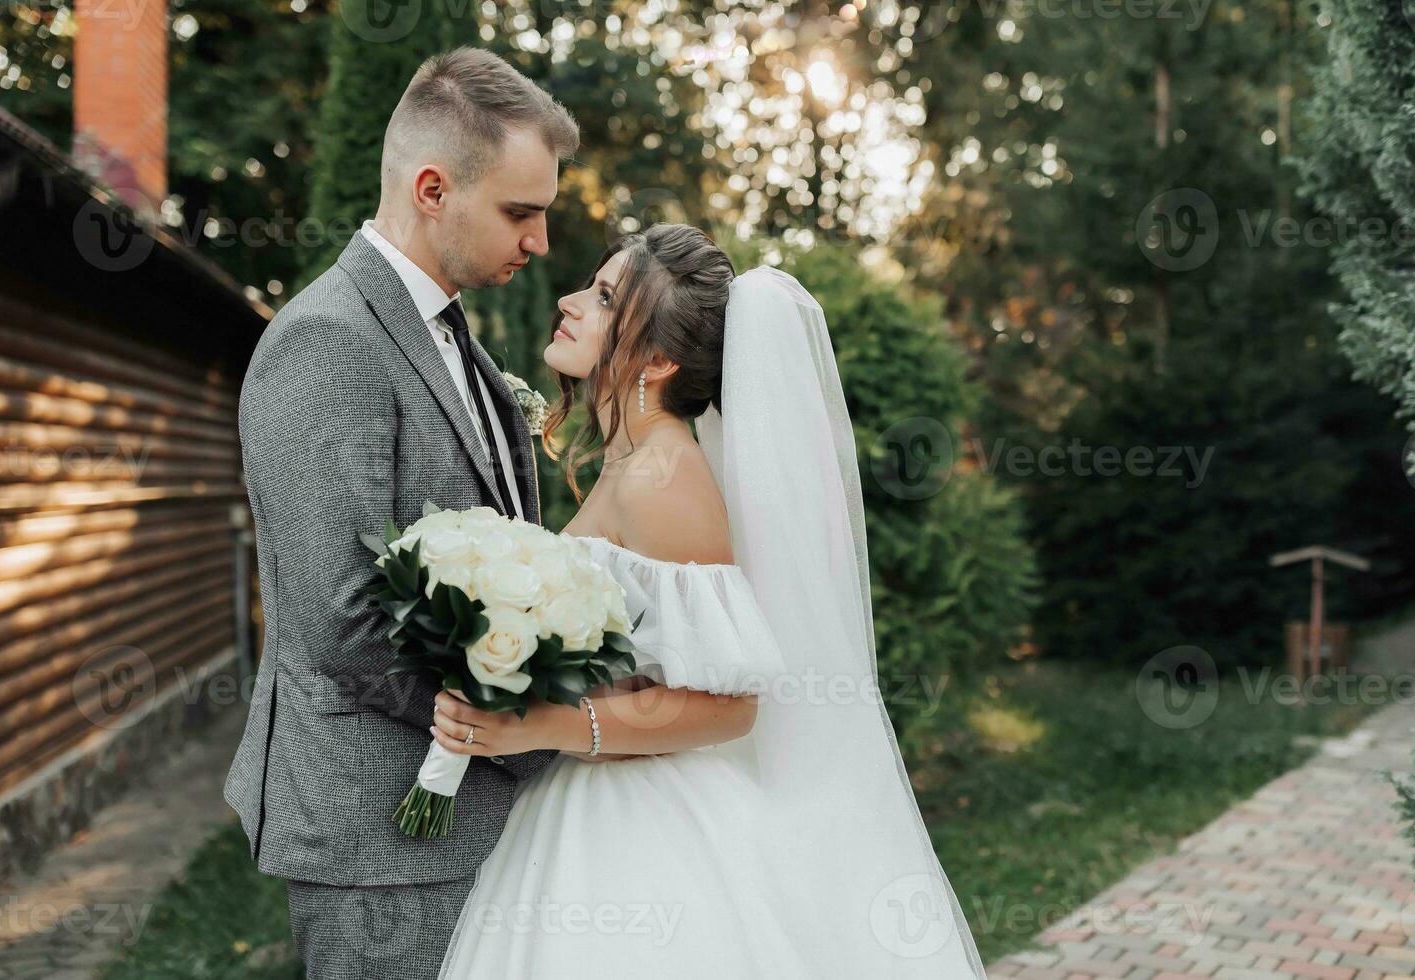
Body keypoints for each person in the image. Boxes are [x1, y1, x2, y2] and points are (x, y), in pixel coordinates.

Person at [430, 224, 990, 979]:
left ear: (657, 360)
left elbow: (730, 706)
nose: (568, 301)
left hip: (645, 829)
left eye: (601, 298)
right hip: (588, 802)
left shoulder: (664, 478)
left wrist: (533, 723)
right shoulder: (627, 464)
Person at [222, 46, 578, 979]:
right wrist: (520, 730)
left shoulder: (454, 335)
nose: (539, 242)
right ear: (431, 188)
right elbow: (344, 619)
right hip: (380, 830)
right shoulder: (326, 343)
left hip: (469, 817)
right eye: (520, 212)